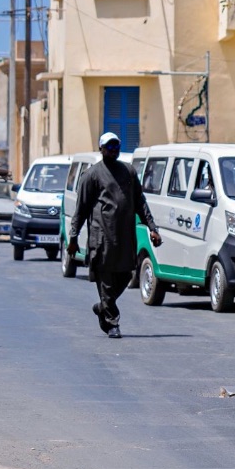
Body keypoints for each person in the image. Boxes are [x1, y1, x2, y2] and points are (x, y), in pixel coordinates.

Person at [66, 132, 162, 339]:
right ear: (101, 149)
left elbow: (140, 202)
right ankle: (112, 323)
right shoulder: (91, 176)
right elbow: (80, 211)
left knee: (126, 275)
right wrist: (73, 239)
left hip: (125, 237)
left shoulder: (128, 172)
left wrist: (152, 228)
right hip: (102, 239)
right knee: (107, 281)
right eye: (109, 147)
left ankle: (102, 306)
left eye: (116, 146)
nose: (113, 150)